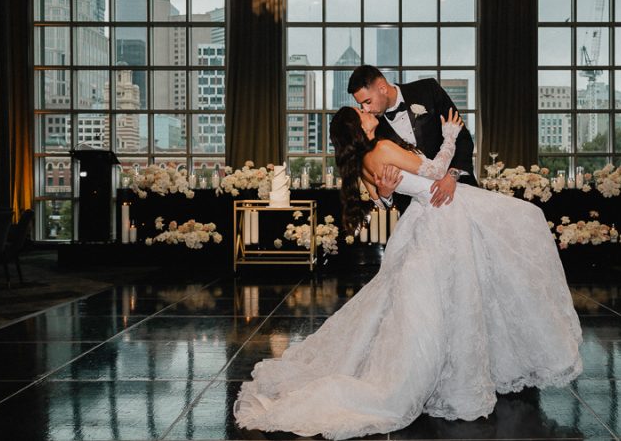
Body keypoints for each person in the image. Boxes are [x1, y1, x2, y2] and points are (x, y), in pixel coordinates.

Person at [234, 106, 583, 440]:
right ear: (358, 128)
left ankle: (454, 370)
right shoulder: (383, 148)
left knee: (448, 295)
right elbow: (437, 170)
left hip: (425, 216)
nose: (368, 113)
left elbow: (381, 200)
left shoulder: (362, 162)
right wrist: (450, 135)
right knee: (525, 223)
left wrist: (387, 193)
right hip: (442, 213)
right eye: (362, 113)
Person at [348, 64, 475, 211]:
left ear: (382, 88)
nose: (366, 109)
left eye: (368, 102)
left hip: (460, 192)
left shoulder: (427, 89)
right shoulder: (373, 129)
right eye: (361, 105)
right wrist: (385, 193)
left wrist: (452, 176)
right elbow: (382, 199)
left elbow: (462, 137)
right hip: (416, 209)